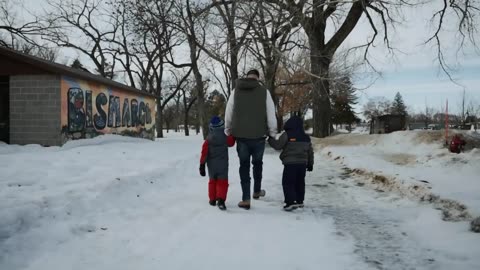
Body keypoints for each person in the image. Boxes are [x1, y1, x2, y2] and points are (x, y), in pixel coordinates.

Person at [225, 69, 277, 210]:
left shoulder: (236, 91)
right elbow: (271, 114)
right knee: (258, 164)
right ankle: (256, 191)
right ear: (258, 78)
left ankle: (246, 199)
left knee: (244, 166)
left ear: (247, 77)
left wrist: (228, 129)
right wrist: (272, 132)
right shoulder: (264, 92)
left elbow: (229, 111)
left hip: (241, 136)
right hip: (259, 136)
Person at [268, 115, 314, 211]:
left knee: (288, 182)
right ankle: (300, 201)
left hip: (290, 163)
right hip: (302, 164)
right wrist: (310, 164)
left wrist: (270, 140)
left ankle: (290, 202)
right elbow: (310, 152)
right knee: (300, 182)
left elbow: (278, 145)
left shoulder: (287, 134)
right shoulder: (306, 137)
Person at [199, 116, 235, 210]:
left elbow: (204, 153)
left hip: (211, 166)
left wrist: (202, 165)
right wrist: (232, 135)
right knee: (222, 182)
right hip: (223, 165)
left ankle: (212, 199)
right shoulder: (225, 137)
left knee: (212, 182)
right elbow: (231, 143)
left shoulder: (208, 140)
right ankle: (221, 200)